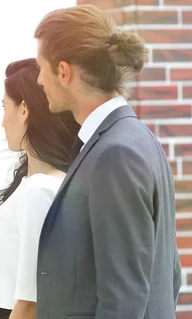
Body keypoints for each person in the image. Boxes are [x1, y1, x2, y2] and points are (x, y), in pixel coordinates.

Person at [33, 4, 181, 318]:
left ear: (63, 71)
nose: (38, 81)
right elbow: (170, 274)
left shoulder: (116, 154)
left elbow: (124, 298)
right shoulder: (134, 139)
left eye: (41, 68)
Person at [0, 59, 80, 319]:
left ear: (24, 110)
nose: (1, 122)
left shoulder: (40, 191)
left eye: (4, 107)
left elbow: (33, 300)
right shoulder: (36, 185)